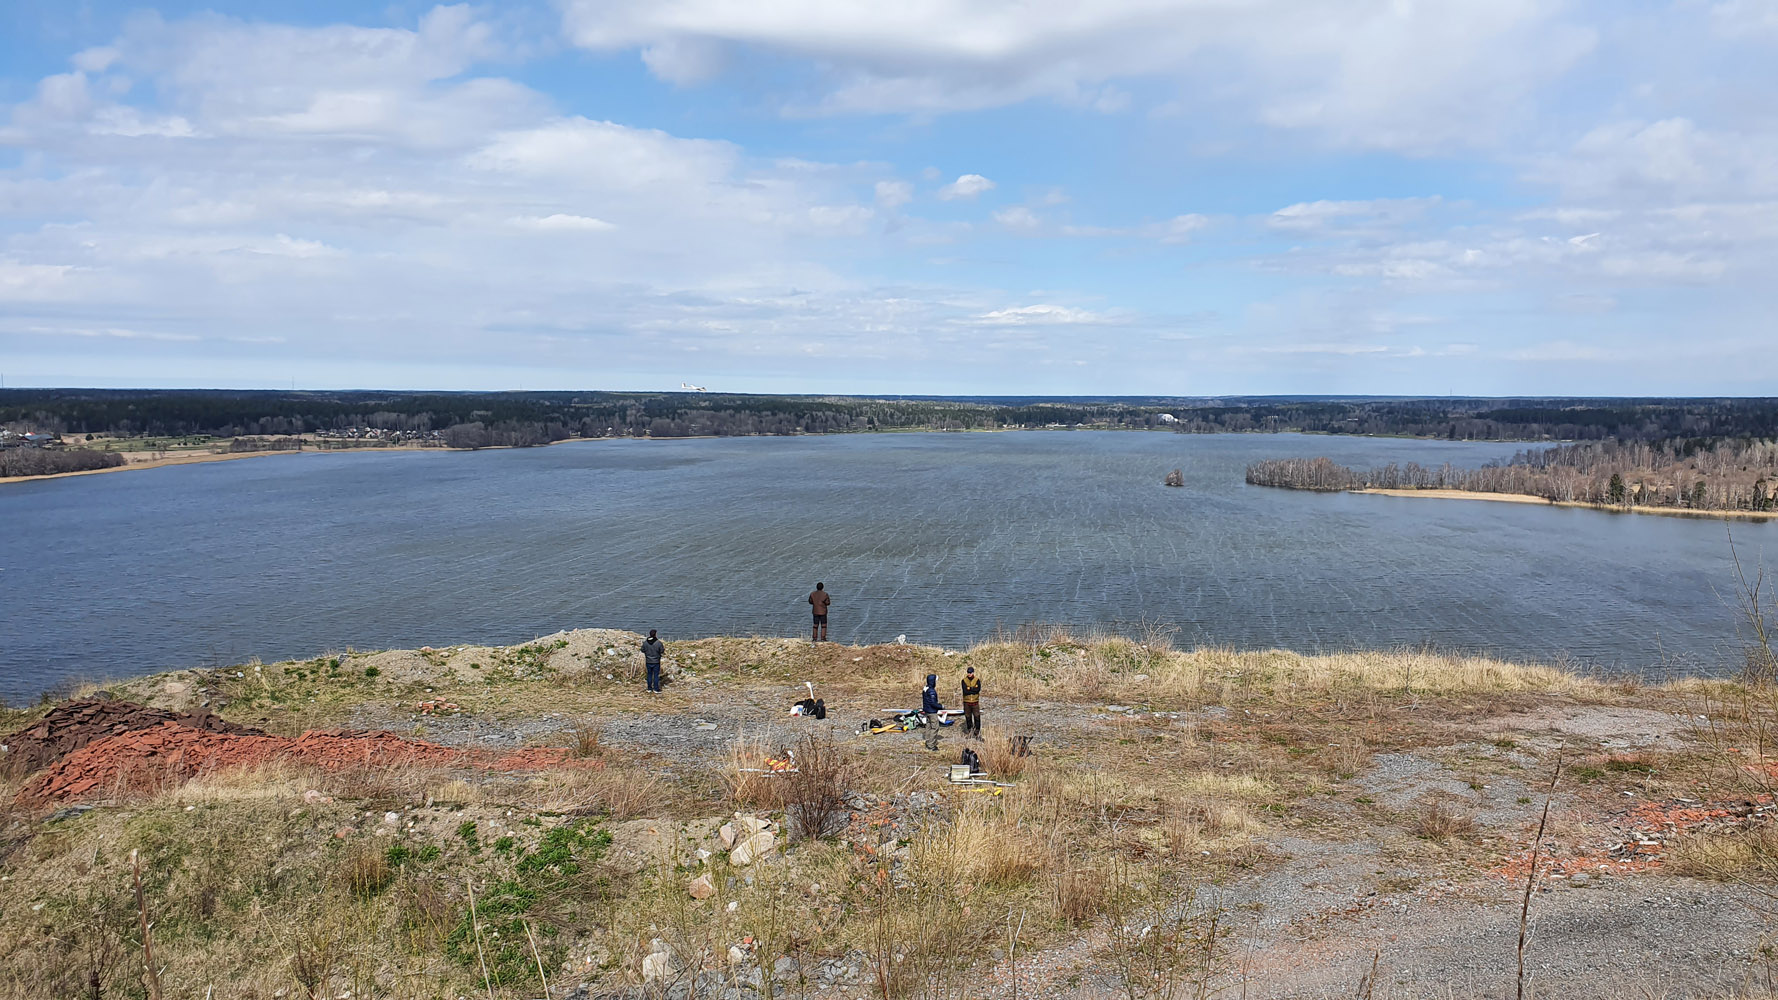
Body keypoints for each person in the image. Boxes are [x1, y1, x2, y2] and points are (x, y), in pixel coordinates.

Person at [960, 665, 982, 738]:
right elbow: (965, 691)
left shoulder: (977, 680)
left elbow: (977, 690)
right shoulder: (964, 680)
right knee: (968, 717)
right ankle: (970, 731)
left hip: (975, 701)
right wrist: (973, 690)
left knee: (977, 716)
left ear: (973, 673)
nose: (969, 674)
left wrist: (970, 689)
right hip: (967, 702)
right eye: (968, 672)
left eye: (970, 672)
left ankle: (977, 731)